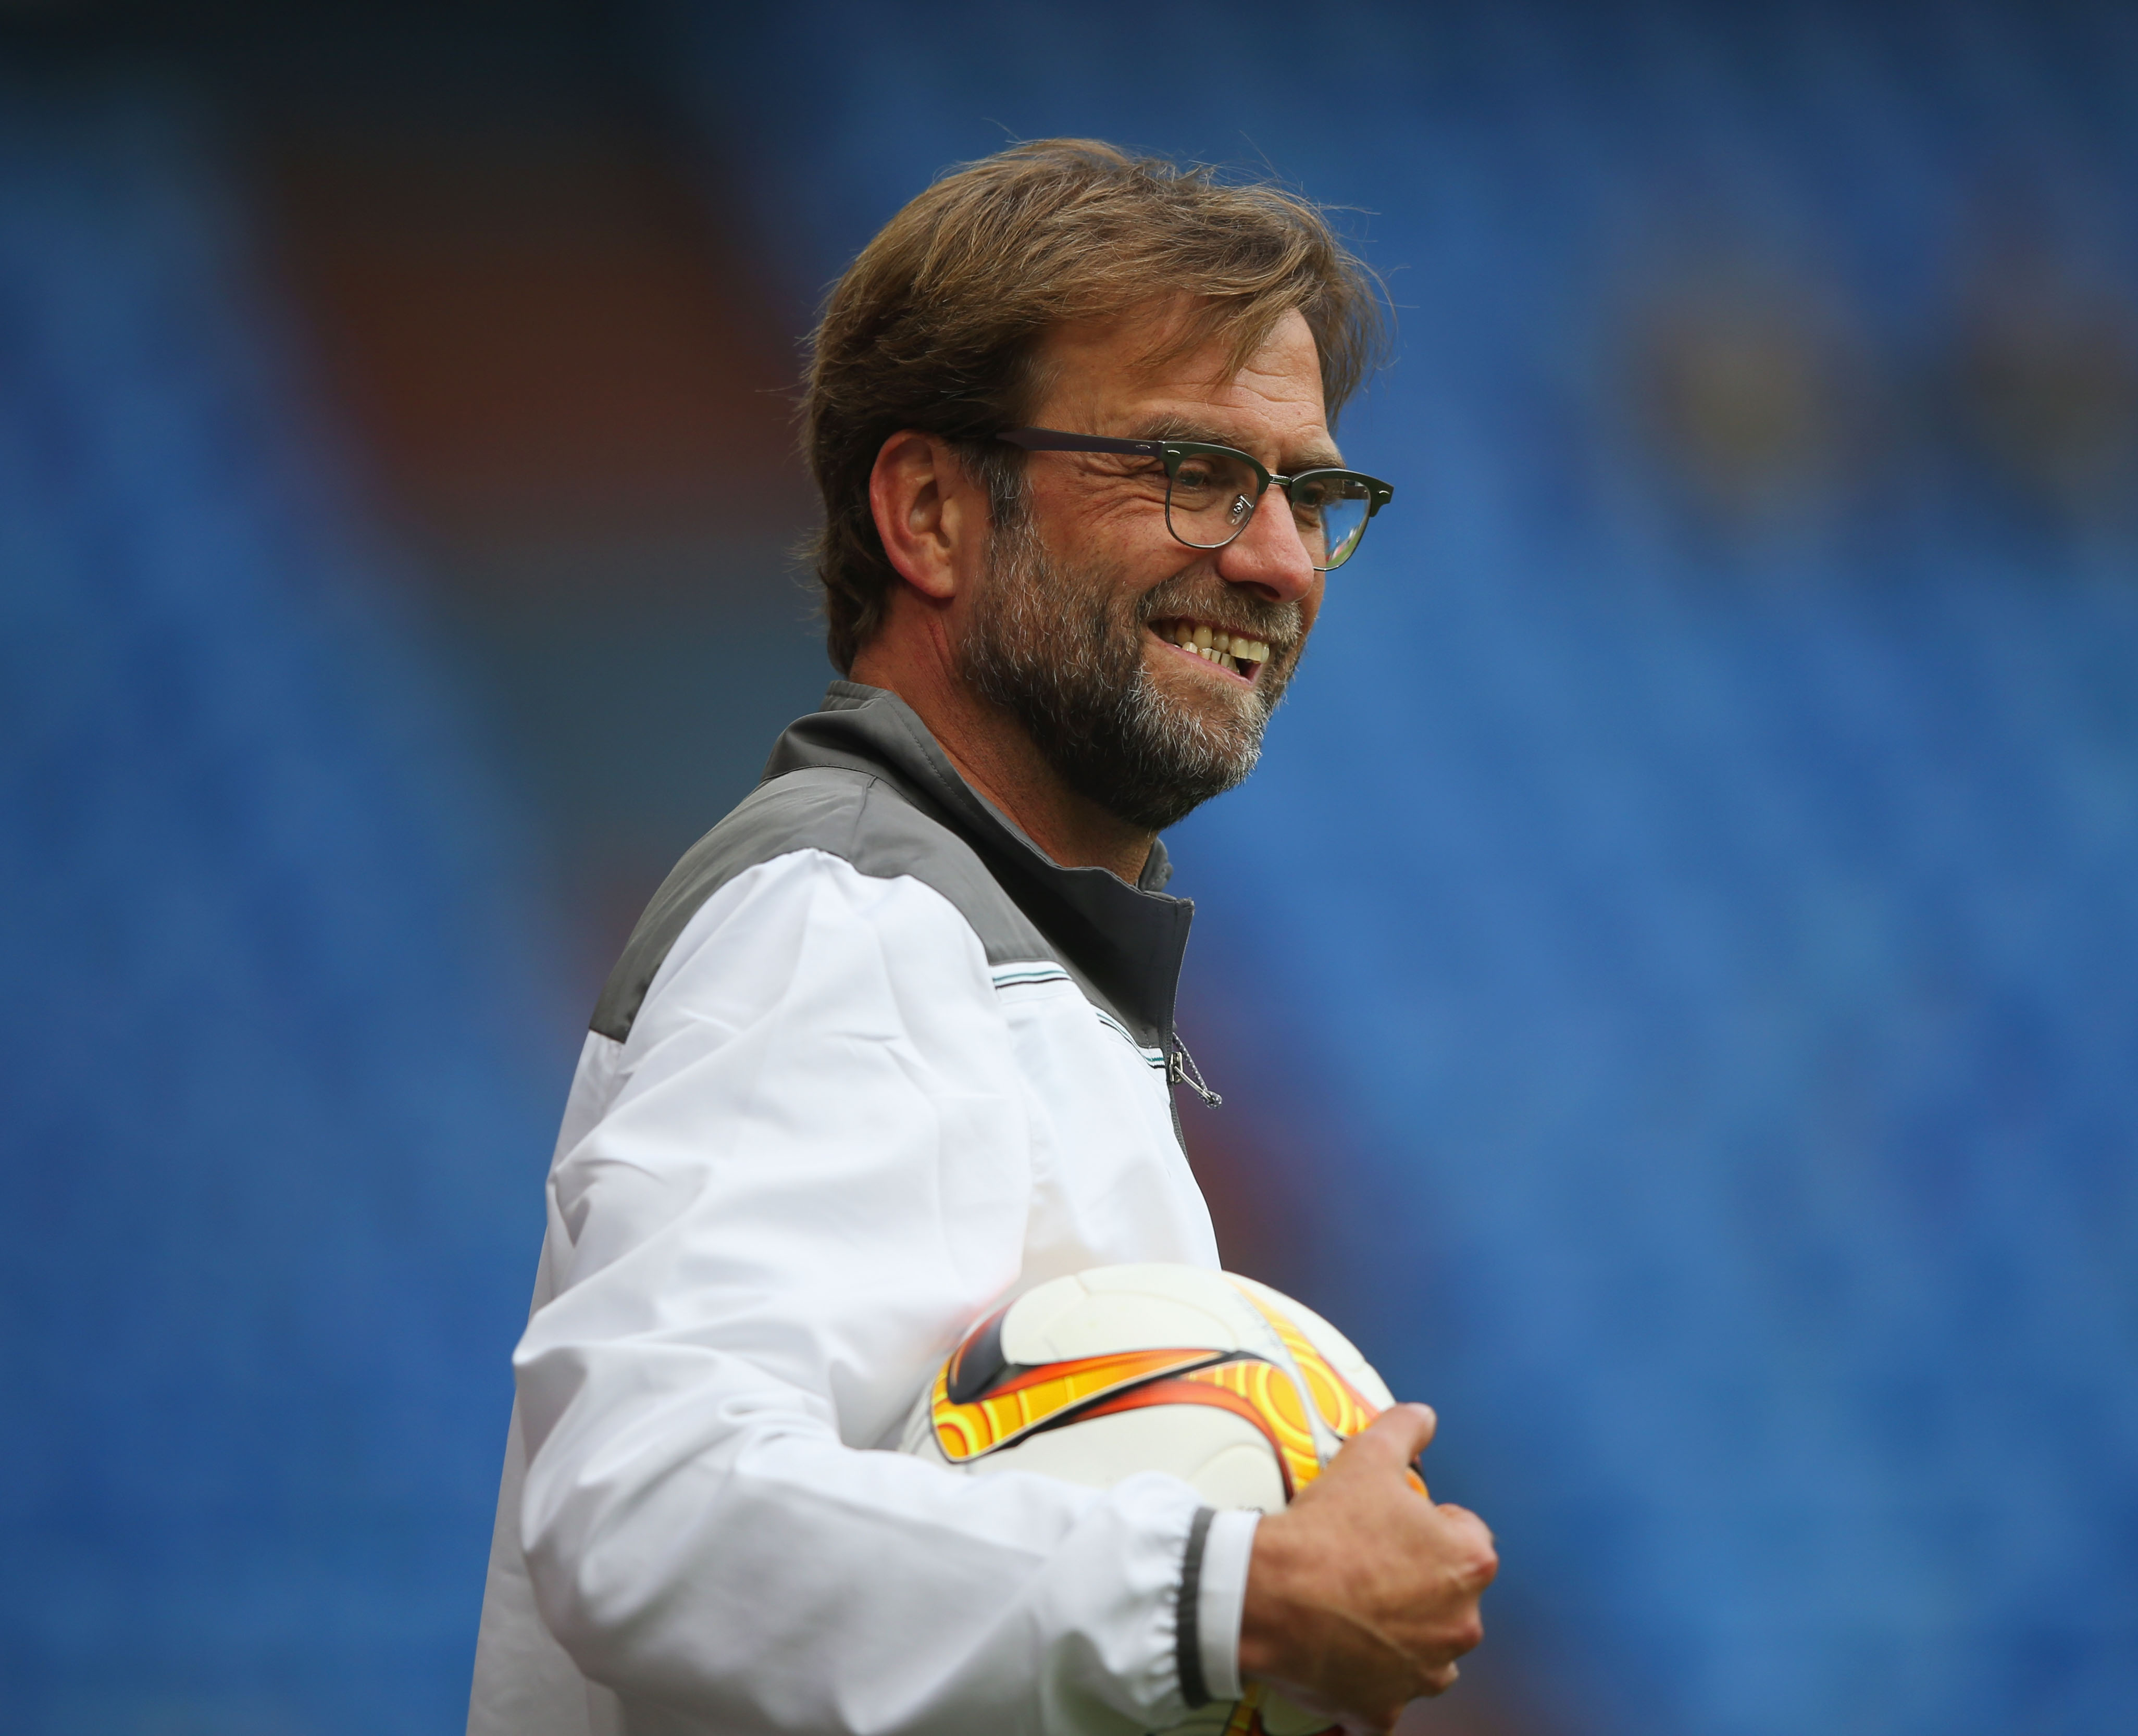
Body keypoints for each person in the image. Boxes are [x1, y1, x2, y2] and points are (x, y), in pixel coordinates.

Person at [466, 140, 1497, 1736]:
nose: (1282, 559)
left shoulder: (973, 936)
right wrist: (1239, 1595)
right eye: (1194, 470)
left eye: (1311, 491)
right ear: (933, 512)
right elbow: (656, 1514)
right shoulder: (849, 927)